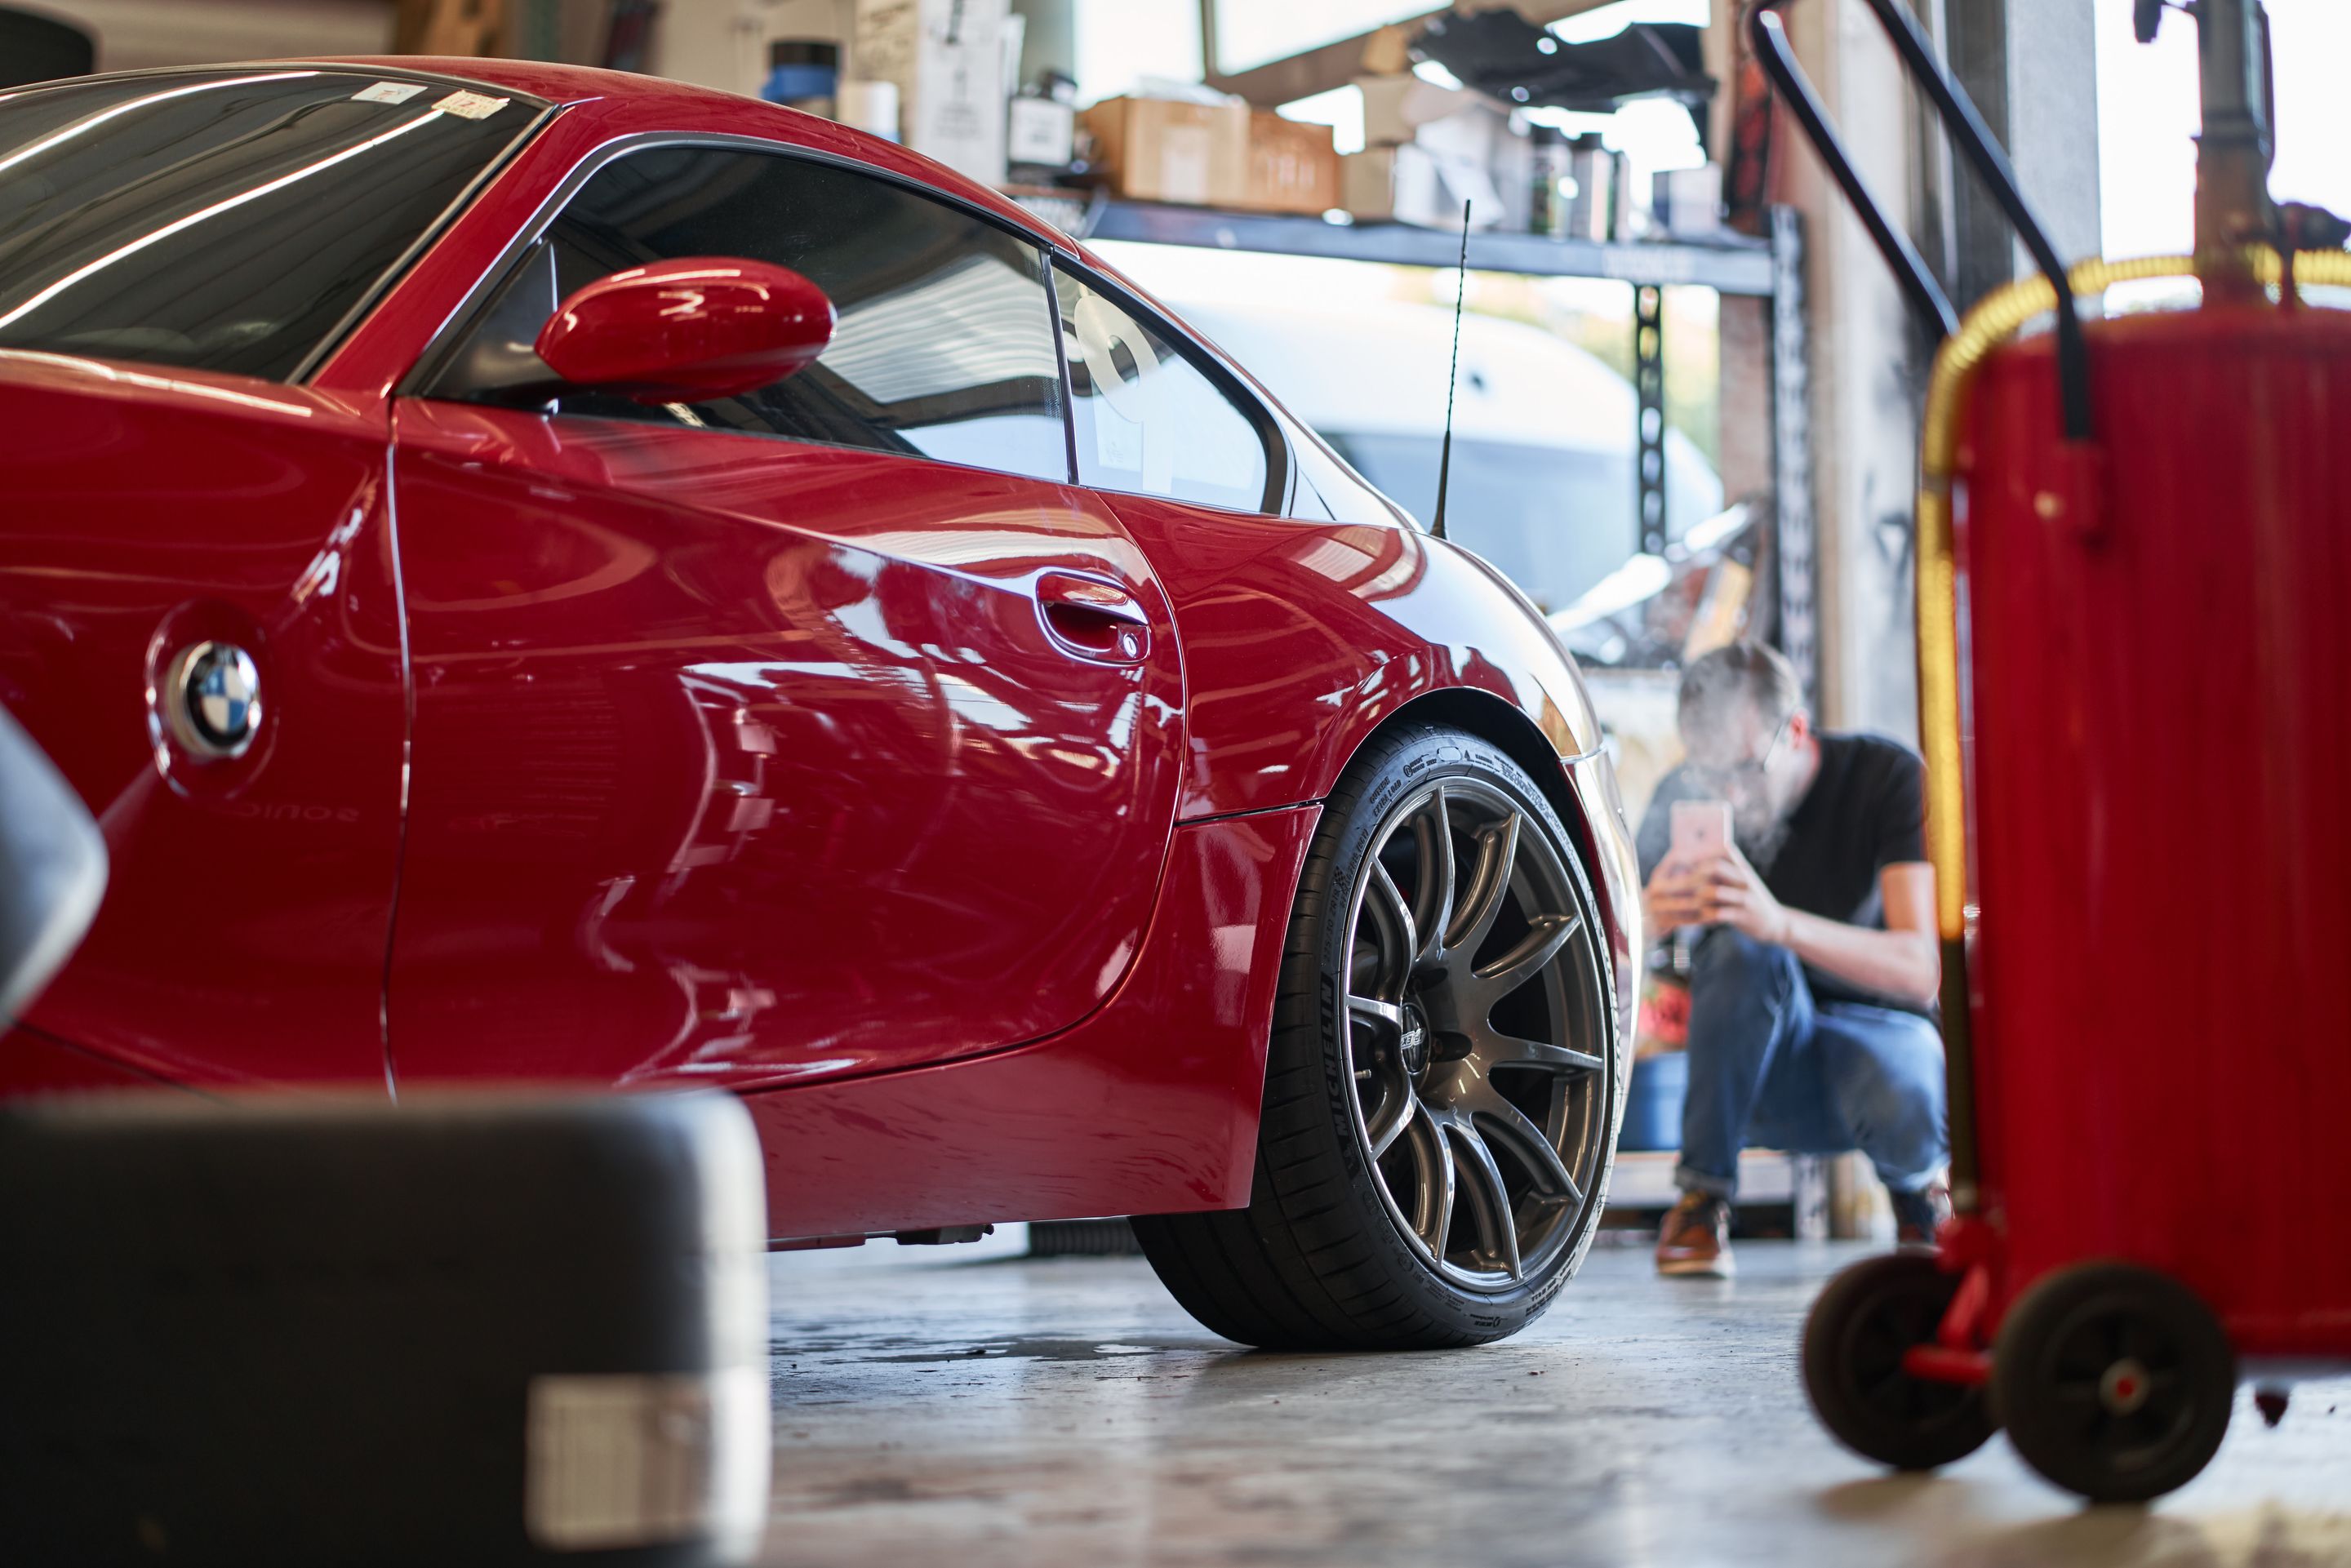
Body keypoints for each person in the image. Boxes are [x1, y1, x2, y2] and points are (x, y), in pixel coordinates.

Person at [1639, 642, 1947, 1278]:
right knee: (1740, 947)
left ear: (1797, 730)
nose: (1731, 793)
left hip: (1882, 1043)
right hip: (1749, 1064)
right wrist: (1644, 921)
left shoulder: (1885, 777)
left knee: (1904, 1073)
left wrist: (1779, 923)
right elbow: (1600, 971)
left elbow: (1921, 970)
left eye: (1746, 768)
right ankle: (1701, 1200)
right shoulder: (1680, 797)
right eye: (1709, 773)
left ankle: (1919, 1191)